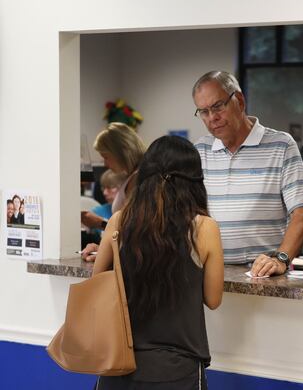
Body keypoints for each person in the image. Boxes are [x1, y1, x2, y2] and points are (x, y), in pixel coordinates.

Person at [93, 135, 224, 389]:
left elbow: (97, 284)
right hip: (178, 369)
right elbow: (213, 298)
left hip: (118, 365)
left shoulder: (118, 222)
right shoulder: (204, 228)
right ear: (194, 180)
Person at [192, 70, 303, 277]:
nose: (212, 117)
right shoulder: (198, 151)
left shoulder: (281, 145)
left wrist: (281, 259)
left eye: (217, 106)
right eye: (204, 111)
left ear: (239, 101)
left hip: (263, 276)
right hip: (210, 275)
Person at [81, 123, 146, 261]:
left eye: (106, 157)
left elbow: (133, 230)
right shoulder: (134, 176)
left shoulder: (139, 179)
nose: (105, 164)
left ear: (121, 152)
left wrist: (102, 223)